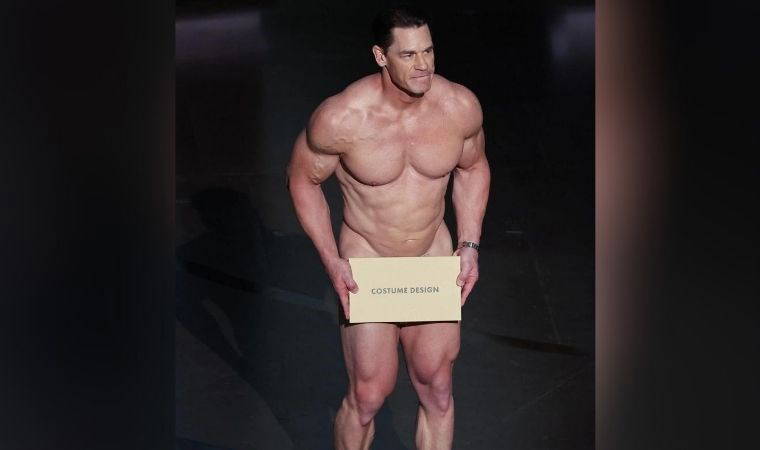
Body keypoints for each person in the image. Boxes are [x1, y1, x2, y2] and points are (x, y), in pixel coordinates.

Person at [286, 5, 490, 449]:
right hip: (369, 260)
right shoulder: (342, 118)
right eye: (409, 55)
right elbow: (302, 179)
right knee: (368, 395)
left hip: (431, 256)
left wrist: (470, 243)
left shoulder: (458, 107)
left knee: (437, 388)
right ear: (381, 56)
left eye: (429, 51)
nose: (423, 65)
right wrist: (331, 259)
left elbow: (473, 167)